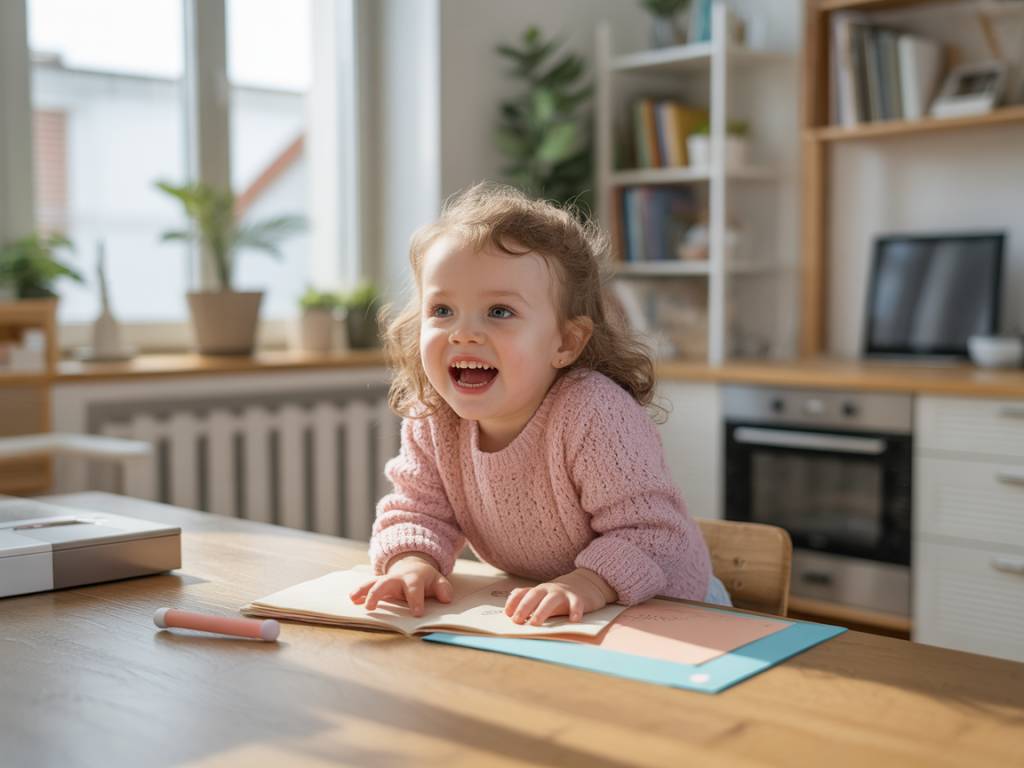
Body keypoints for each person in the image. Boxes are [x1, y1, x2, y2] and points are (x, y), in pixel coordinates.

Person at [350, 183, 729, 626]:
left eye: (499, 312)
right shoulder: (433, 415)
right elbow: (417, 510)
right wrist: (412, 564)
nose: (463, 333)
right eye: (442, 310)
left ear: (566, 342)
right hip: (552, 614)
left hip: (668, 611)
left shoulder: (592, 411)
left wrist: (586, 584)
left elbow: (652, 533)